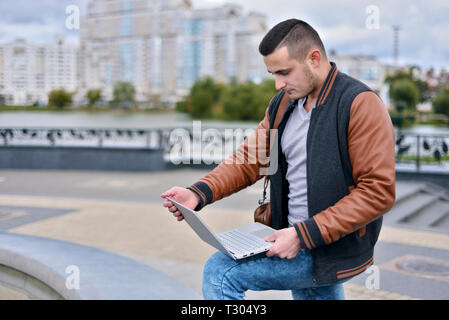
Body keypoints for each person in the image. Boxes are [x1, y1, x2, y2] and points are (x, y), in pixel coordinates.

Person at [161, 19, 396, 300]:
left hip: (327, 247)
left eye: (284, 72)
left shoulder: (359, 103)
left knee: (221, 273)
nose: (278, 83)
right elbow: (250, 159)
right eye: (273, 73)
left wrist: (302, 234)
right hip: (290, 238)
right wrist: (198, 193)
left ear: (314, 58)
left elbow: (377, 192)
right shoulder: (283, 104)